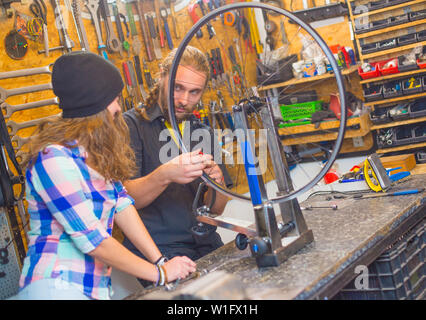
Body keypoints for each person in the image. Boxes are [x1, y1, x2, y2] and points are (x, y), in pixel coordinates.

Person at [15, 51, 196, 300]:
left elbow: (122, 205)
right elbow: (94, 241)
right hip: (55, 287)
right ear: (95, 106)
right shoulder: (53, 160)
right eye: (113, 100)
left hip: (91, 289)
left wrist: (160, 260)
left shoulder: (91, 154)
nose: (118, 108)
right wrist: (161, 274)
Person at [122, 46, 232, 284]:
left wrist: (217, 183)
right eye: (178, 88)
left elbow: (216, 209)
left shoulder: (203, 132)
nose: (184, 100)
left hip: (205, 244)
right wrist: (165, 175)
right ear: (162, 76)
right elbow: (124, 200)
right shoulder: (131, 125)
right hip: (160, 251)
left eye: (194, 92)